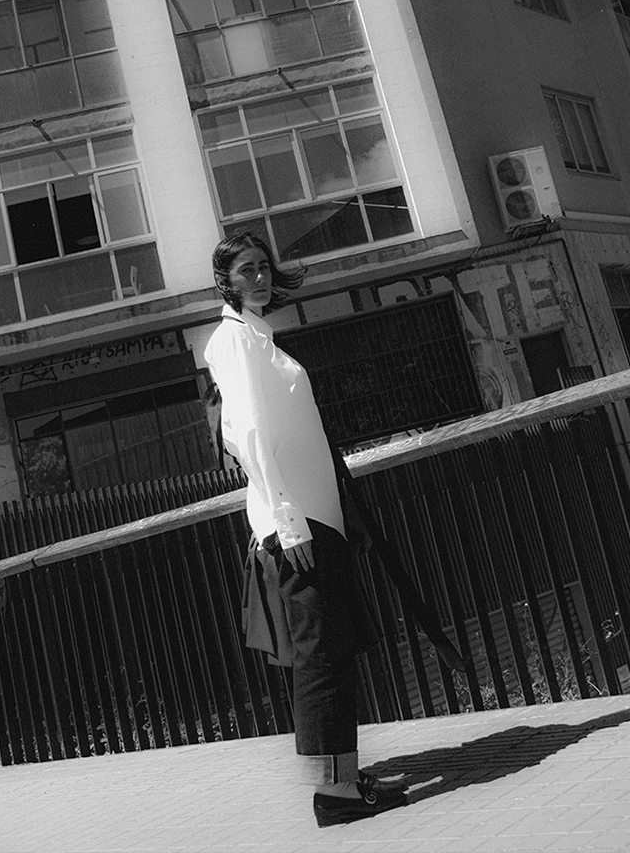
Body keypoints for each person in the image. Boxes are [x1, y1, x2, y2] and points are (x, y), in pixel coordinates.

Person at [204, 231, 408, 827]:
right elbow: (248, 436)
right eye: (246, 270)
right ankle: (337, 795)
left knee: (332, 650)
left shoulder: (259, 339)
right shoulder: (234, 341)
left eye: (264, 267)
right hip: (299, 524)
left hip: (318, 516)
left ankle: (341, 777)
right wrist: (287, 519)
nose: (260, 278)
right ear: (225, 280)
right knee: (321, 655)